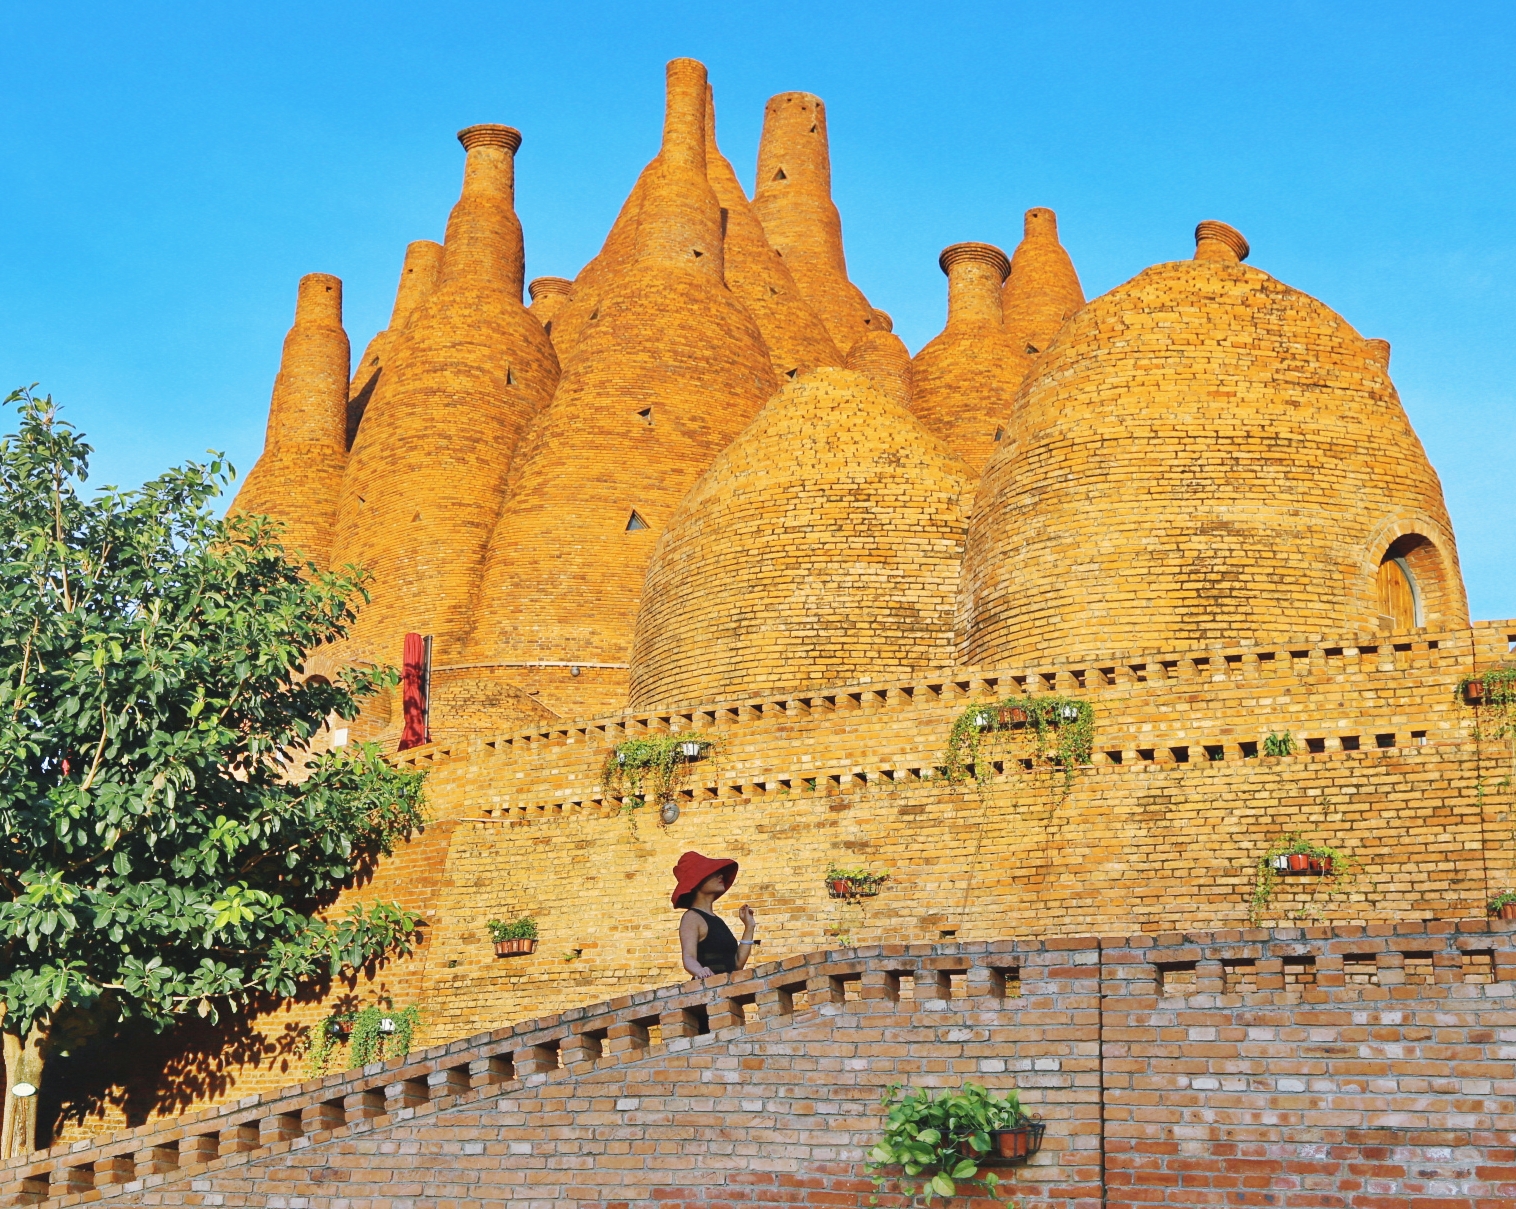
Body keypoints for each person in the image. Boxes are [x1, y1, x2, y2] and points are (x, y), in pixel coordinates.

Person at [671, 850, 757, 978]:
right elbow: (688, 957)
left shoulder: (717, 920)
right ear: (697, 882)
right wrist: (700, 971)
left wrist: (749, 927)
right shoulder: (692, 917)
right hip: (707, 992)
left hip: (726, 989)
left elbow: (737, 965)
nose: (721, 876)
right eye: (713, 873)